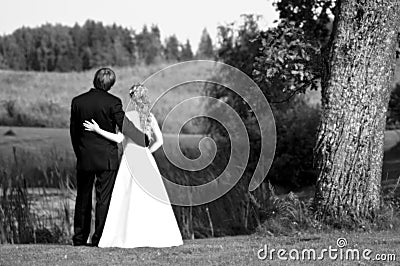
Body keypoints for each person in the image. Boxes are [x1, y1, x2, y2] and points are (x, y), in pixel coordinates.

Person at [83, 84, 183, 248]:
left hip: (129, 160)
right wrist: (148, 152)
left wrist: (97, 129)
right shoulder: (150, 117)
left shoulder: (127, 117)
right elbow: (160, 141)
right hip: (146, 160)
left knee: (127, 199)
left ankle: (129, 236)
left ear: (132, 99)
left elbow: (117, 139)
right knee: (149, 199)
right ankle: (155, 236)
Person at [70, 68, 149, 246]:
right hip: (106, 159)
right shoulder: (113, 102)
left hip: (84, 157)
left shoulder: (78, 102)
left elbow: (73, 133)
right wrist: (142, 139)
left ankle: (79, 238)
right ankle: (99, 238)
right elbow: (124, 126)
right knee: (103, 200)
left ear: (94, 80)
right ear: (111, 84)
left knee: (82, 198)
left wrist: (79, 153)